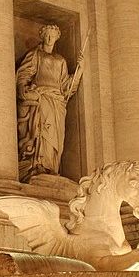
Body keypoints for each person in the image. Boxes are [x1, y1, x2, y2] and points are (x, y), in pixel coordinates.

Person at [16, 24, 84, 182]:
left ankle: (52, 166)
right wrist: (24, 90)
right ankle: (39, 165)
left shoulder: (60, 60)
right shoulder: (35, 55)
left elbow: (67, 86)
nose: (49, 38)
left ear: (56, 38)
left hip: (57, 102)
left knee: (56, 137)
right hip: (42, 98)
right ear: (42, 36)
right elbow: (24, 74)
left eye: (52, 36)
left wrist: (79, 70)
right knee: (42, 133)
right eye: (47, 35)